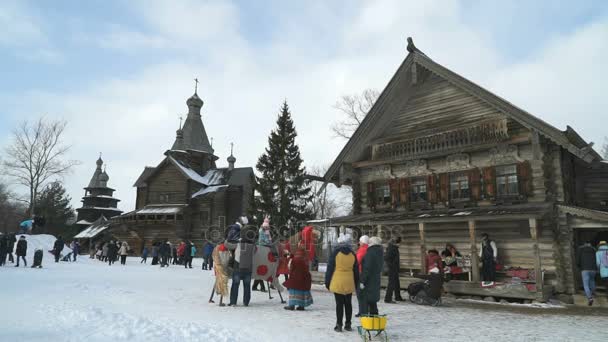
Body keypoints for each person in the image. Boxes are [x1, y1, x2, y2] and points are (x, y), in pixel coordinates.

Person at [325, 234, 359, 333]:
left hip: (338, 280)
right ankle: (348, 324)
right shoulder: (353, 254)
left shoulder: (335, 253)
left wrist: (327, 282)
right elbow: (356, 270)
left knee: (339, 304)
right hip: (349, 280)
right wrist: (356, 282)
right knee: (348, 303)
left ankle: (339, 324)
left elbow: (330, 269)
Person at [229, 224, 256, 307]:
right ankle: (246, 302)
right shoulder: (253, 245)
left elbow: (228, 245)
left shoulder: (238, 244)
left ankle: (233, 302)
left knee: (235, 285)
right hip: (248, 267)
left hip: (238, 266)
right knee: (247, 285)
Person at [283, 243, 313, 311]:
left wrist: (290, 269)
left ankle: (292, 305)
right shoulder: (305, 255)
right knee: (302, 291)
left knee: (293, 291)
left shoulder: (296, 256)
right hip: (304, 277)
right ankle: (301, 306)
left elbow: (292, 266)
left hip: (295, 277)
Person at [359, 236, 383, 316]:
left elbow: (367, 268)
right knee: (373, 300)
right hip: (376, 278)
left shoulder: (370, 253)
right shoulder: (380, 252)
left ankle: (365, 318)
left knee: (365, 300)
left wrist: (362, 281)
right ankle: (374, 317)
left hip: (369, 280)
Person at [253, 218, 273, 292]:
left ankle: (255, 286)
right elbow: (264, 240)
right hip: (262, 248)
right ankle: (262, 287)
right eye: (267, 227)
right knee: (261, 268)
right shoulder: (263, 231)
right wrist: (269, 243)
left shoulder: (265, 230)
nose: (268, 228)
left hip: (263, 247)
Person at [577, 240, 597, 305]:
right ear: (590, 244)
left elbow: (578, 259)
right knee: (592, 281)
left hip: (585, 269)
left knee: (586, 284)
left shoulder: (581, 249)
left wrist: (579, 266)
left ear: (584, 244)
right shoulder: (594, 250)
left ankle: (590, 298)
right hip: (593, 269)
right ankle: (593, 293)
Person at [384, 236, 403, 303]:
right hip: (392, 268)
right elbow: (387, 258)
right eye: (400, 242)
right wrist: (391, 266)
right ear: (396, 242)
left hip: (394, 268)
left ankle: (398, 297)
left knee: (396, 283)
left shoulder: (394, 248)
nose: (400, 244)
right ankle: (388, 299)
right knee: (391, 283)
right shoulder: (392, 248)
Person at [355, 235, 369, 317]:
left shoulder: (362, 250)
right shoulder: (368, 249)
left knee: (360, 293)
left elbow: (357, 261)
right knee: (364, 293)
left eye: (360, 241)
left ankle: (362, 311)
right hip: (366, 273)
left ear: (363, 242)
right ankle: (364, 310)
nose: (359, 243)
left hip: (360, 273)